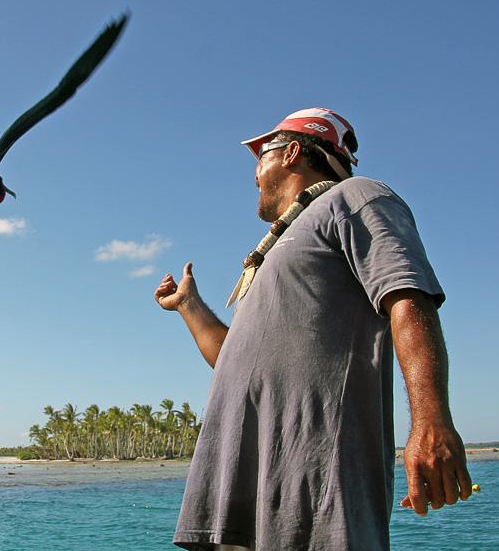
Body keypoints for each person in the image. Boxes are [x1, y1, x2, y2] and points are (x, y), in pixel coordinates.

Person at [155, 108, 471, 550]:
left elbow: (407, 296)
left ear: (292, 153)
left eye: (259, 156)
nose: (254, 172)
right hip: (241, 487)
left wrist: (431, 422)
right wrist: (188, 305)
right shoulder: (271, 257)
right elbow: (235, 363)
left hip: (312, 478)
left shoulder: (356, 196)